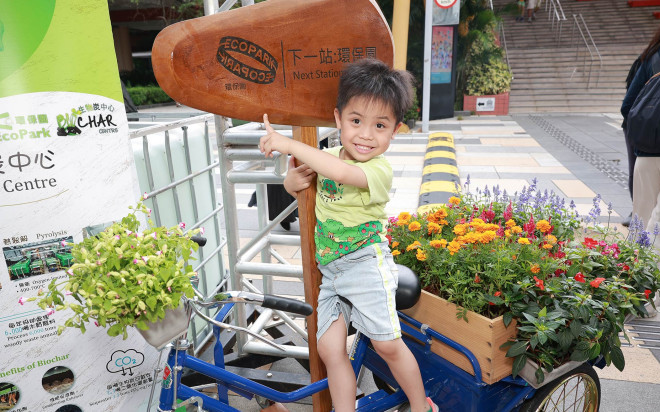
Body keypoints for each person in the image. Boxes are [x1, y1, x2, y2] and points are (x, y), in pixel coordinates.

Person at [259, 59, 436, 412]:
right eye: (356, 121)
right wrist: (291, 180)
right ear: (338, 118)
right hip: (332, 271)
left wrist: (288, 144)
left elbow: (338, 171)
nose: (366, 135)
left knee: (387, 344)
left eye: (380, 125)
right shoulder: (323, 157)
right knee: (329, 349)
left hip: (366, 264)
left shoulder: (379, 169)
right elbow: (296, 184)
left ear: (395, 130)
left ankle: (421, 406)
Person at [621, 26, 660, 231]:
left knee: (641, 220)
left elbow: (627, 107)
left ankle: (637, 262)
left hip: (647, 148)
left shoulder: (651, 56)